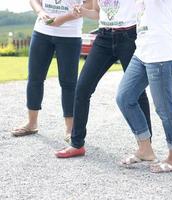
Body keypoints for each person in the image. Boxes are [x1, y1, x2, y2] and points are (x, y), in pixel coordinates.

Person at [55, 0, 152, 158]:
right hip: (104, 38)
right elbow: (97, 12)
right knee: (82, 88)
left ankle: (146, 147)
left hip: (129, 36)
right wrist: (84, 12)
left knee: (137, 92)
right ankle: (77, 144)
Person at [116, 0, 172, 173]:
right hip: (142, 53)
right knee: (125, 97)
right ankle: (145, 149)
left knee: (165, 109)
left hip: (162, 56)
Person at [11, 0, 91, 142]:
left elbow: (90, 5)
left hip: (70, 35)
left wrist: (63, 19)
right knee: (35, 78)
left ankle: (69, 128)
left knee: (68, 83)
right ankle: (32, 123)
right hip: (42, 32)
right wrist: (41, 12)